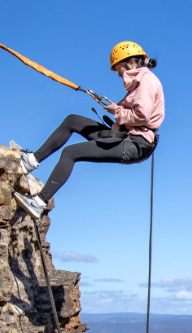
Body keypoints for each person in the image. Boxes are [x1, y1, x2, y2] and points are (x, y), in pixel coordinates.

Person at [13, 41, 165, 219]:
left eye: (118, 69)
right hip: (130, 138)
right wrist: (117, 110)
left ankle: (39, 203)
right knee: (72, 120)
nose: (118, 75)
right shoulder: (140, 81)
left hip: (136, 144)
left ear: (130, 62)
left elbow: (142, 116)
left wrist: (116, 111)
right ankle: (30, 161)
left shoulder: (146, 81)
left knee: (70, 153)